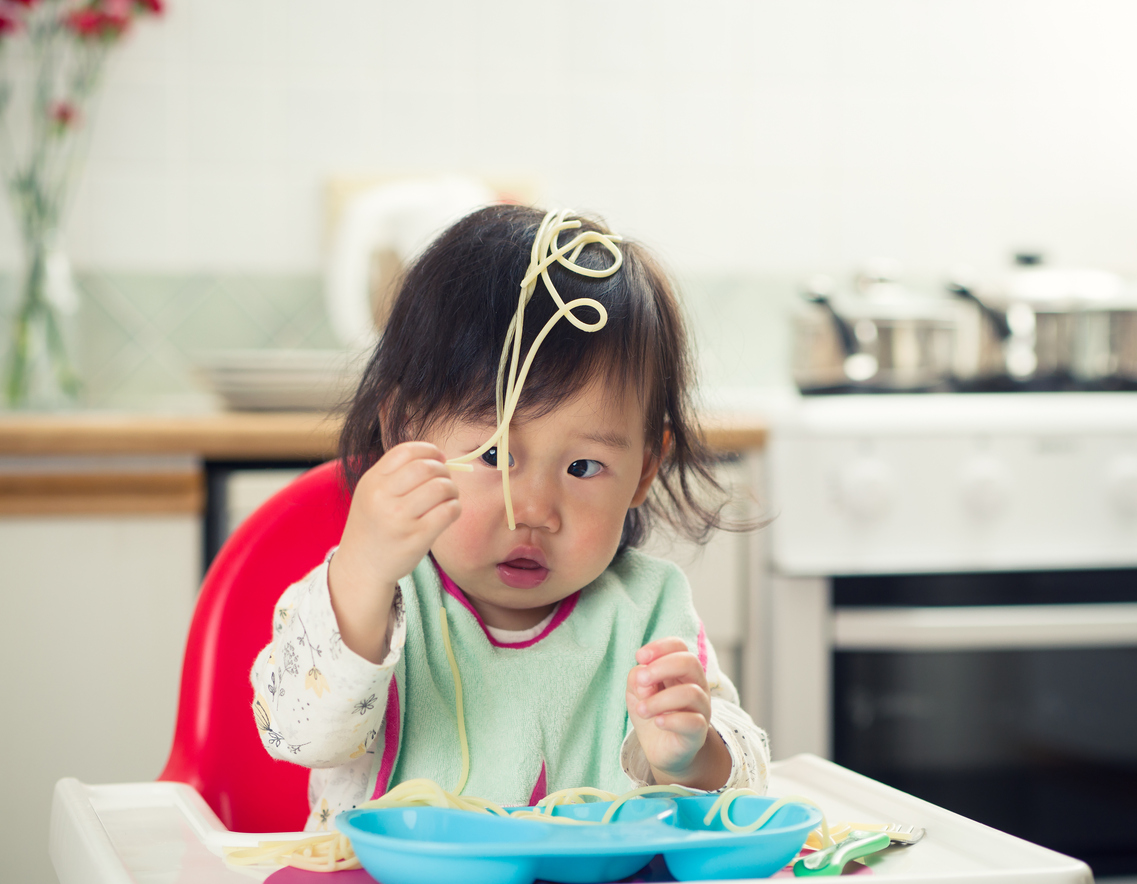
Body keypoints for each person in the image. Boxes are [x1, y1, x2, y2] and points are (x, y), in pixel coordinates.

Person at [250, 205, 771, 831]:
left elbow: (747, 778)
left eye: (583, 467)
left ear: (644, 468)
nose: (533, 512)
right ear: (403, 431)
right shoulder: (377, 599)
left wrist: (690, 755)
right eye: (495, 455)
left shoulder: (648, 612)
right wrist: (362, 574)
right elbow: (295, 733)